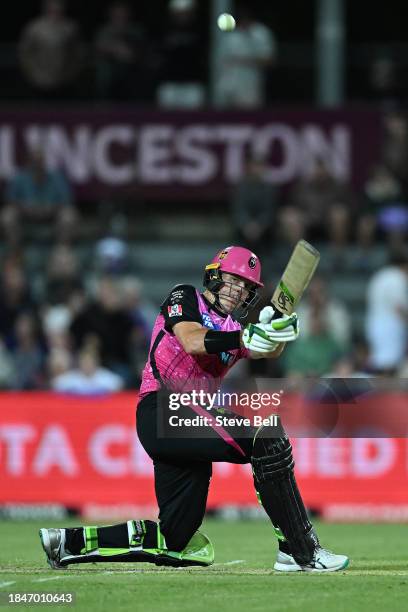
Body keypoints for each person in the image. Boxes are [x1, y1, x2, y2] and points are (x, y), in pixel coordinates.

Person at [39, 246, 348, 572]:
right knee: (266, 437)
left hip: (188, 422)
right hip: (164, 410)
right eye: (232, 280)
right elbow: (191, 339)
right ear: (214, 276)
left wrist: (275, 332)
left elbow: (265, 349)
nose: (237, 290)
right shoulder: (185, 297)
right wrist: (246, 336)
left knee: (178, 541)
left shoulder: (232, 329)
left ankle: (66, 543)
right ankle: (299, 550)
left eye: (245, 287)